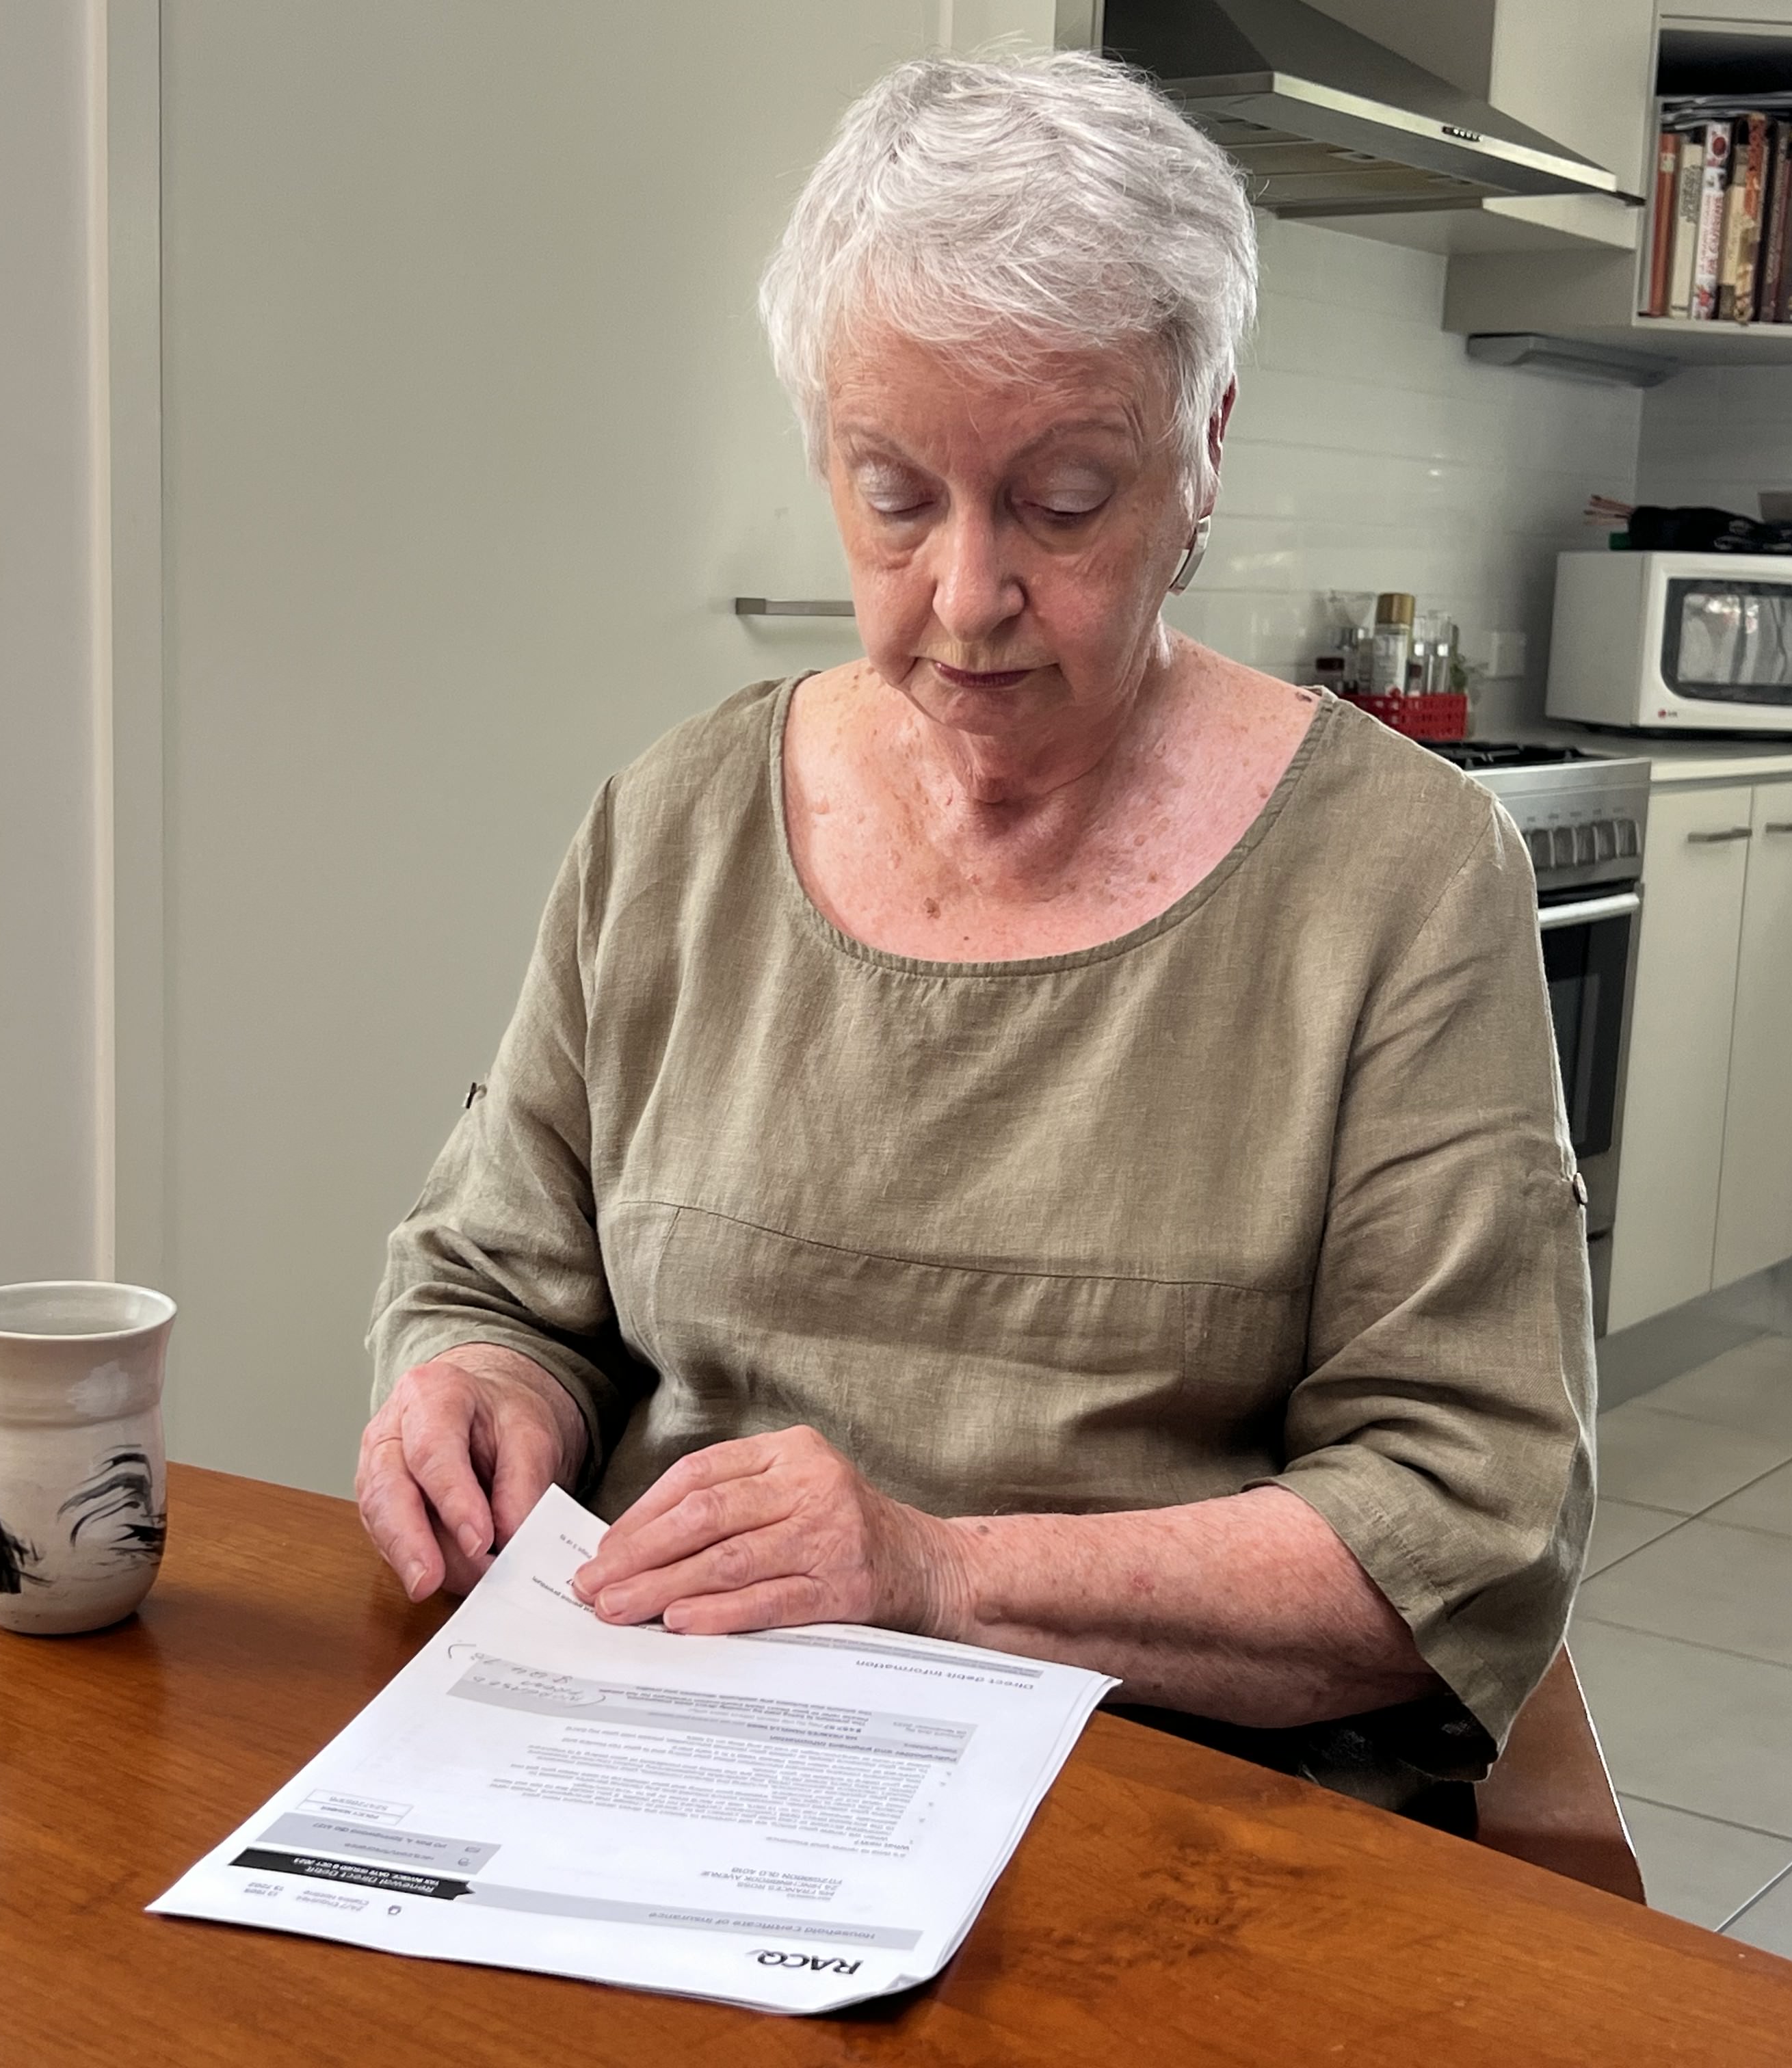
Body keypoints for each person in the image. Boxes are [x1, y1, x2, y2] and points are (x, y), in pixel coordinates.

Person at [355, 49, 1592, 1814]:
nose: (969, 597)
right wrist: (479, 1389)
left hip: (1176, 1803)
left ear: (1207, 447)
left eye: (1066, 502)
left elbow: (1467, 1524)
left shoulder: (1398, 878)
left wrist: (939, 1576)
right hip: (676, 1768)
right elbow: (497, 1273)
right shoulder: (676, 821)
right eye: (894, 493)